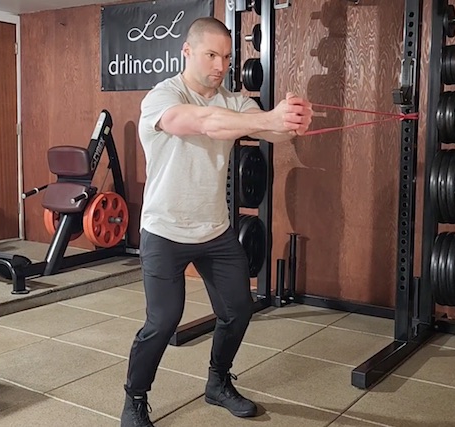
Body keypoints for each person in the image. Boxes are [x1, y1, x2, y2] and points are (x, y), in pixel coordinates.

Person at [121, 16, 313, 427]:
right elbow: (203, 122)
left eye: (226, 57)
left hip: (214, 231)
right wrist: (269, 120)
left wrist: (292, 122)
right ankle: (134, 398)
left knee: (239, 309)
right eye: (211, 55)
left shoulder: (234, 101)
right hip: (164, 231)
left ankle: (217, 383)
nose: (220, 65)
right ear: (186, 52)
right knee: (163, 321)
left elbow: (275, 133)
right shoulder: (161, 97)